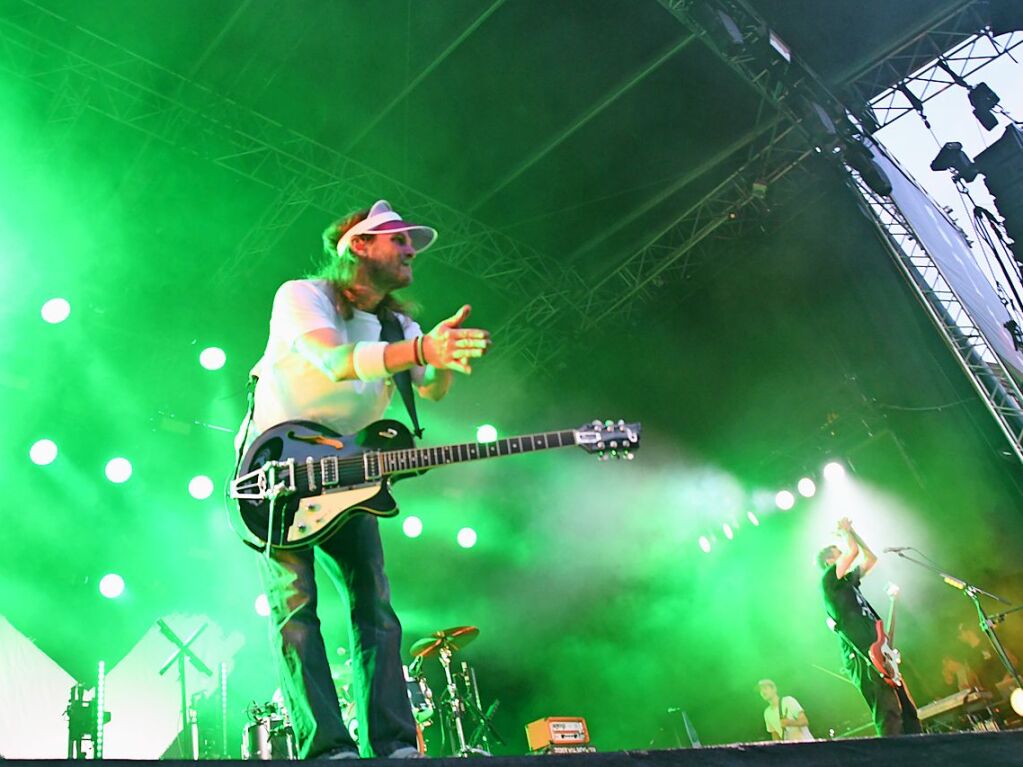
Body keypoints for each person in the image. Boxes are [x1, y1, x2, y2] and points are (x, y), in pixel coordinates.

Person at [237, 200, 492, 759]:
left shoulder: (400, 325)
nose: (410, 252)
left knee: (375, 606)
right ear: (359, 245)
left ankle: (395, 745)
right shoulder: (300, 296)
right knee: (297, 613)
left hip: (350, 477)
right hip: (277, 473)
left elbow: (430, 389)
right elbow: (335, 360)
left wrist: (441, 358)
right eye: (398, 241)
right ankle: (327, 749)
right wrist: (424, 349)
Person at [817, 517, 921, 737]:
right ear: (829, 562)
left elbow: (870, 558)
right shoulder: (829, 580)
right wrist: (846, 532)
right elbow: (853, 552)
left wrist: (853, 532)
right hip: (860, 654)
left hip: (876, 649)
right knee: (888, 712)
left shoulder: (848, 581)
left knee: (907, 710)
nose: (843, 554)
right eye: (838, 553)